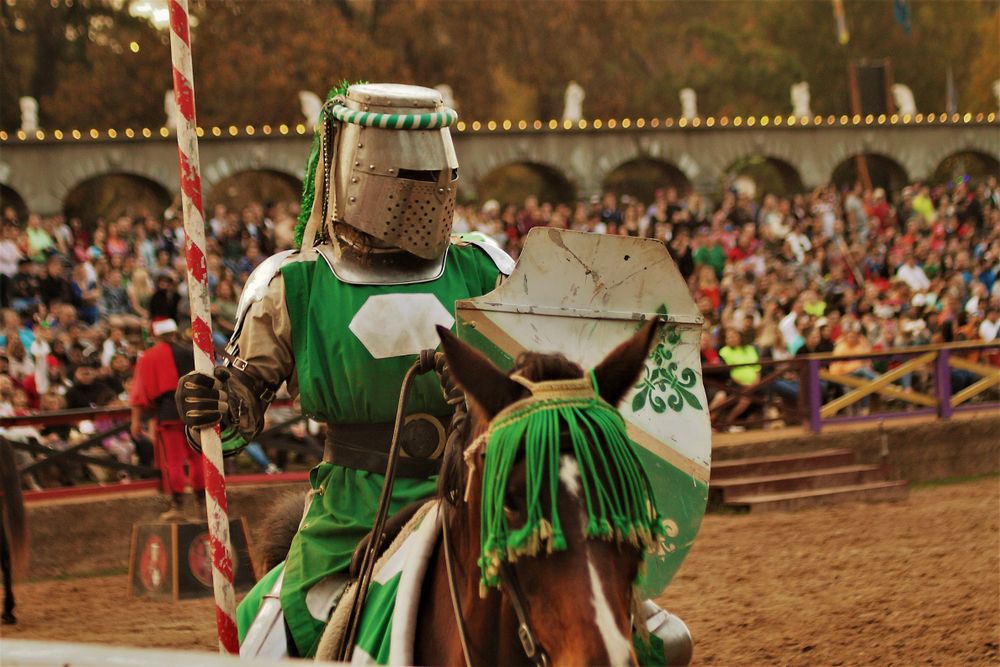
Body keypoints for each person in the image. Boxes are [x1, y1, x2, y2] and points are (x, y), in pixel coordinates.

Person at [176, 84, 509, 659]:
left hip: (483, 488)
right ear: (361, 169)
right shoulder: (296, 285)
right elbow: (237, 416)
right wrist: (216, 403)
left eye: (438, 171)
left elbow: (543, 379)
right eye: (413, 173)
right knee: (266, 635)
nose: (430, 189)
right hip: (353, 508)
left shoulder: (484, 268)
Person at [130, 318, 202, 520]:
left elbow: (139, 392)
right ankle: (203, 506)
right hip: (194, 409)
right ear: (174, 333)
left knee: (175, 461)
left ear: (155, 335)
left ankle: (178, 507)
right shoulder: (191, 351)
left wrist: (136, 419)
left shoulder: (149, 357)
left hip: (168, 411)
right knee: (198, 459)